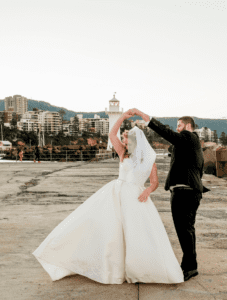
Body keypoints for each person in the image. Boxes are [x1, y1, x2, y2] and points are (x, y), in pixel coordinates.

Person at [32, 109, 184, 284]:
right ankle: (112, 267)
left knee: (136, 234)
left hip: (136, 198)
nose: (123, 140)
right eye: (124, 138)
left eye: (126, 138)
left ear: (135, 140)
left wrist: (147, 191)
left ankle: (137, 268)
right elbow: (112, 134)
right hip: (116, 195)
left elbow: (155, 182)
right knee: (111, 232)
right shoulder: (122, 153)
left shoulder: (149, 160)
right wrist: (121, 117)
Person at [131, 108, 210, 282]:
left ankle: (190, 267)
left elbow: (168, 134)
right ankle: (189, 264)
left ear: (188, 125)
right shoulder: (190, 145)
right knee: (186, 230)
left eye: (179, 125)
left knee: (185, 230)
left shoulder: (189, 137)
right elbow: (197, 167)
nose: (178, 128)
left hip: (185, 193)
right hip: (188, 191)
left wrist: (145, 117)